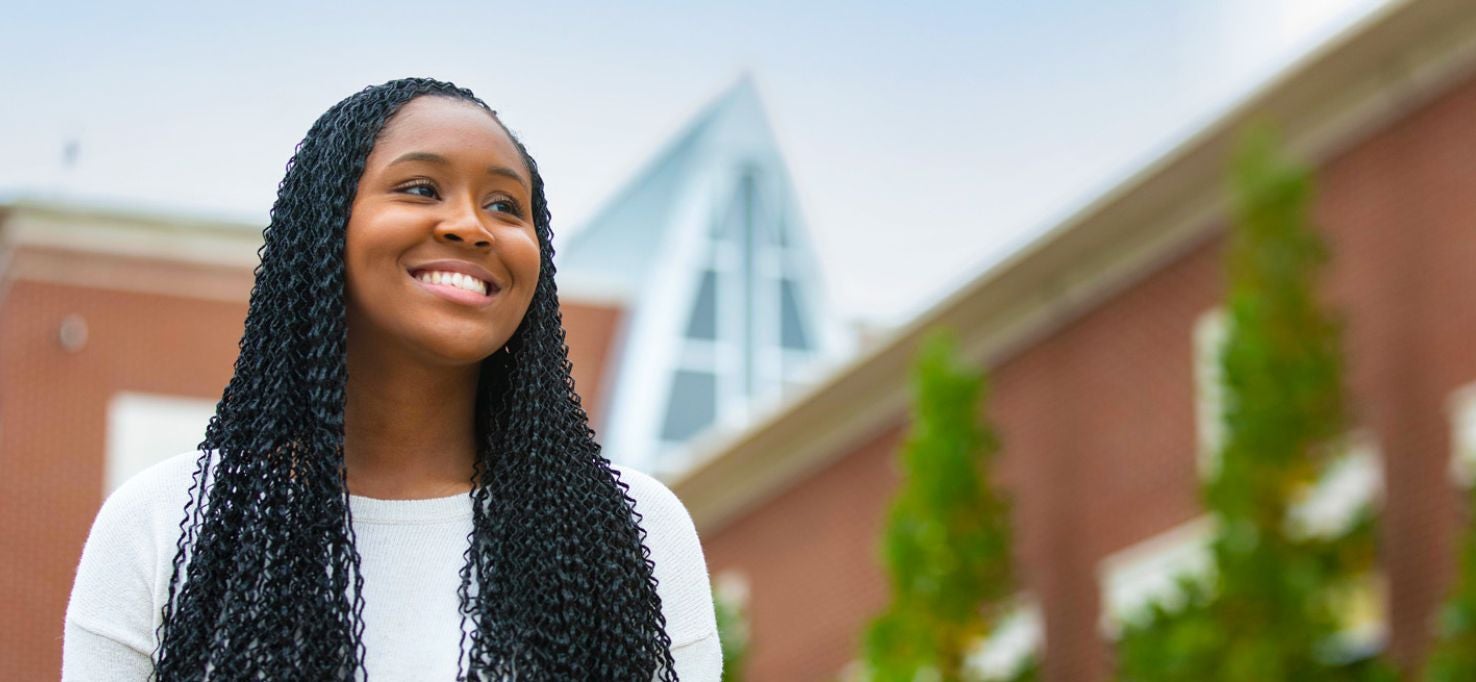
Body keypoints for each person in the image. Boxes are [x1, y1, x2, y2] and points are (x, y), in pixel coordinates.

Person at [62, 77, 721, 681]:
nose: (470, 225)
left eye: (504, 204)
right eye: (420, 188)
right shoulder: (166, 524)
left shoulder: (629, 530)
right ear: (324, 231)